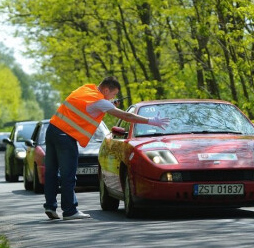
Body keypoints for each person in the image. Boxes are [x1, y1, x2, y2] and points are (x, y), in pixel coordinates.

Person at [44, 76, 169, 220]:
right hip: (66, 136)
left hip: (52, 130)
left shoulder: (86, 89)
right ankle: (69, 210)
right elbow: (125, 115)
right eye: (113, 94)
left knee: (51, 172)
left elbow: (87, 105)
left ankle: (50, 206)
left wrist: (109, 102)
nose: (114, 96)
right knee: (68, 174)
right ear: (106, 89)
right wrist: (150, 121)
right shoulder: (100, 101)